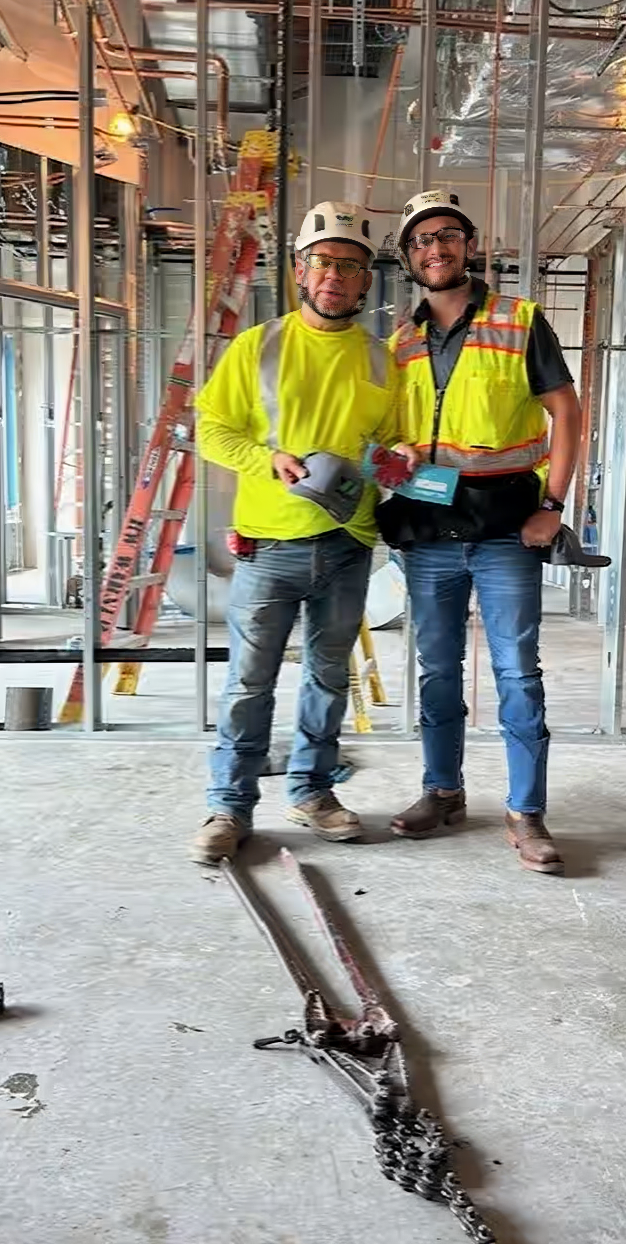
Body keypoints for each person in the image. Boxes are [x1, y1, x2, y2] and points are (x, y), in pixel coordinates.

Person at [190, 201, 417, 865]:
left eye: (350, 265)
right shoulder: (255, 347)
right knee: (249, 685)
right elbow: (211, 428)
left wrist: (396, 459)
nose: (335, 276)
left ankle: (313, 791)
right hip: (268, 547)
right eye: (323, 262)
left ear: (366, 279)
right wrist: (267, 459)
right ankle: (230, 807)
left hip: (348, 547)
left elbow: (392, 439)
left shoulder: (381, 360)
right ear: (299, 269)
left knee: (327, 680)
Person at [378, 188, 582, 874]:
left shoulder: (519, 321)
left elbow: (567, 414)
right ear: (408, 258)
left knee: (517, 673)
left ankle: (526, 813)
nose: (434, 249)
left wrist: (552, 503)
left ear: (469, 245)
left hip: (503, 529)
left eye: (446, 236)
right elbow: (390, 433)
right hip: (428, 530)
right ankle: (443, 791)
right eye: (420, 241)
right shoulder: (399, 341)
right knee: (437, 670)